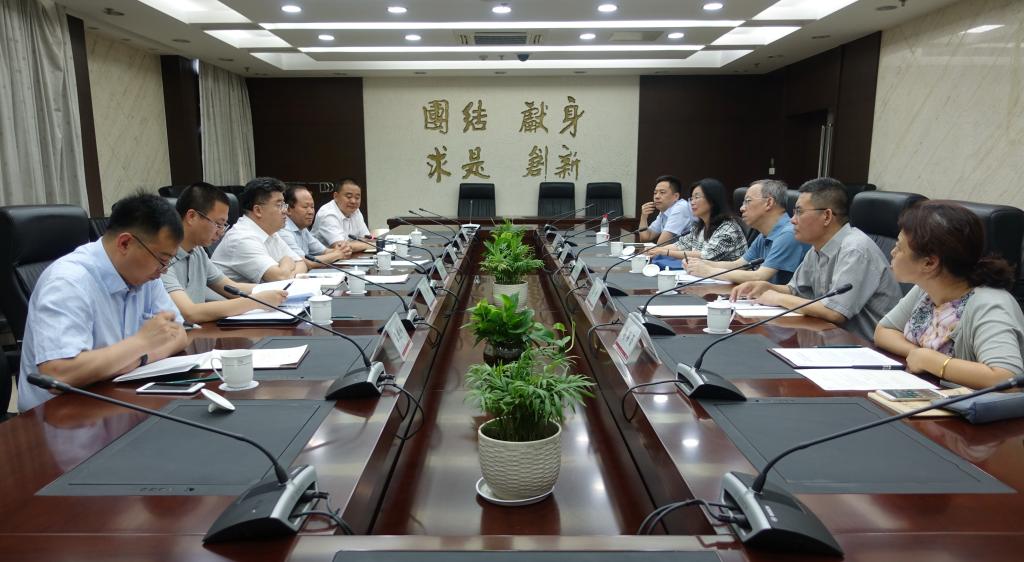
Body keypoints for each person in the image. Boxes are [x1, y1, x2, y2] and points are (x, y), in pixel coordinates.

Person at [18, 193, 188, 411]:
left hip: (116, 400)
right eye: (162, 260)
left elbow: (179, 334)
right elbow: (59, 374)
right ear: (125, 243)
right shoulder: (68, 282)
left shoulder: (146, 276)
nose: (162, 271)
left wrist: (140, 357)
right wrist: (140, 343)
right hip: (58, 416)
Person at [874, 201, 1024, 388]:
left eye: (900, 248)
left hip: (965, 405)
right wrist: (918, 355)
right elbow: (884, 331)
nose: (892, 252)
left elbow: (1007, 378)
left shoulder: (990, 304)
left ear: (929, 263)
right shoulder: (926, 289)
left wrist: (934, 362)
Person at [731, 177, 901, 341]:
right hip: (829, 338)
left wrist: (777, 297)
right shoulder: (817, 248)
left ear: (826, 216)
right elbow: (796, 290)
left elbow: (835, 312)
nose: (792, 220)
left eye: (799, 212)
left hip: (866, 348)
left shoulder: (855, 249)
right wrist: (767, 287)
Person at [162, 183, 289, 324]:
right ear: (191, 216)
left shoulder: (197, 251)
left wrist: (281, 289)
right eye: (218, 224)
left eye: (224, 225)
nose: (221, 232)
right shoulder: (161, 257)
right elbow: (189, 313)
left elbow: (231, 287)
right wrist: (257, 301)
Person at [686, 179, 808, 284]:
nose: (741, 208)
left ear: (769, 203)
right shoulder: (764, 234)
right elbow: (739, 264)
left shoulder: (788, 234)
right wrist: (701, 263)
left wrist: (708, 271)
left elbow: (759, 276)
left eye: (748, 201)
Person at [212, 177, 308, 283]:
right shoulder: (242, 238)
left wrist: (287, 273)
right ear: (258, 210)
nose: (285, 210)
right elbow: (279, 278)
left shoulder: (270, 232)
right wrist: (287, 260)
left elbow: (301, 264)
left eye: (284, 205)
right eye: (279, 205)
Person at [648, 178, 747, 262]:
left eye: (697, 197)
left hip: (730, 278)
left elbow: (706, 255)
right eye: (691, 198)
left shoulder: (728, 228)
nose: (692, 202)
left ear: (712, 200)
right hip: (704, 275)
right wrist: (653, 250)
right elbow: (681, 244)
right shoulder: (700, 226)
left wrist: (665, 252)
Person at [280, 184, 351, 268]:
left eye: (312, 207)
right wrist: (338, 254)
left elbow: (325, 251)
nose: (311, 212)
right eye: (305, 207)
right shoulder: (283, 230)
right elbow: (305, 263)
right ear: (288, 209)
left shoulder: (302, 228)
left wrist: (343, 250)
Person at [312, 178, 373, 253]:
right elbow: (342, 247)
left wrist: (367, 243)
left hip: (348, 256)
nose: (353, 201)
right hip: (323, 258)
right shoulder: (327, 214)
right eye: (349, 197)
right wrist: (370, 245)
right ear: (336, 196)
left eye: (357, 198)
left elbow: (366, 238)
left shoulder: (356, 211)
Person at [638, 175, 693, 245]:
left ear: (676, 196)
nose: (657, 196)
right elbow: (645, 238)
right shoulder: (664, 211)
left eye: (662, 192)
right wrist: (643, 217)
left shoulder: (680, 208)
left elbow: (661, 244)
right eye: (655, 193)